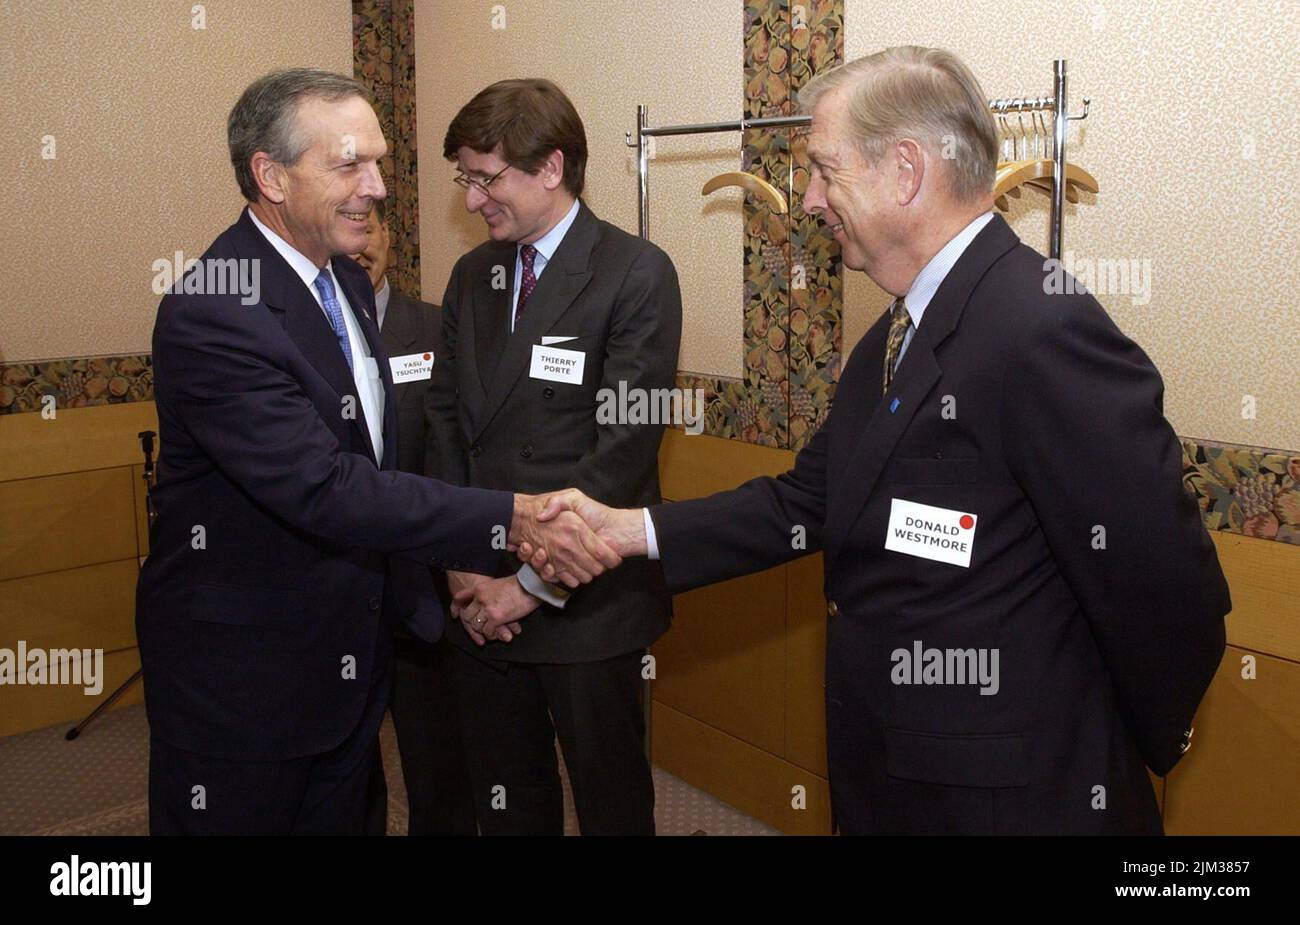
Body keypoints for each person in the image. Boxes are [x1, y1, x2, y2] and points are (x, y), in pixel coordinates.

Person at [510, 47, 1231, 835]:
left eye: (823, 169)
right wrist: (624, 530)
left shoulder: (1040, 326)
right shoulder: (889, 339)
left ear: (906, 171)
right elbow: (807, 499)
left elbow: (1167, 584)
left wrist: (1139, 739)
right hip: (895, 773)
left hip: (1012, 798)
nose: (810, 199)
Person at [137, 68, 618, 836]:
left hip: (348, 671)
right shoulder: (216, 310)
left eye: (381, 163)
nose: (380, 187)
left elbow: (384, 462)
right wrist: (513, 517)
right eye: (351, 165)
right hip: (248, 684)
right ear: (270, 175)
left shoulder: (346, 287)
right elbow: (327, 488)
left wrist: (454, 572)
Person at [425, 78, 682, 835]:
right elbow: (443, 421)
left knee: (611, 807)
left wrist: (529, 586)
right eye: (464, 178)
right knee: (507, 801)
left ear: (550, 167)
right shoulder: (474, 275)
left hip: (587, 606)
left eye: (485, 176)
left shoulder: (635, 272)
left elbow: (623, 456)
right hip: (480, 599)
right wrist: (462, 566)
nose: (472, 200)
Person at [352, 200, 478, 835]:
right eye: (346, 225)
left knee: (439, 770)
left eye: (370, 225)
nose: (360, 242)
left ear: (390, 238)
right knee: (341, 774)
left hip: (423, 595)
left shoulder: (438, 330)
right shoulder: (296, 336)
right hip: (337, 588)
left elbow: (463, 449)